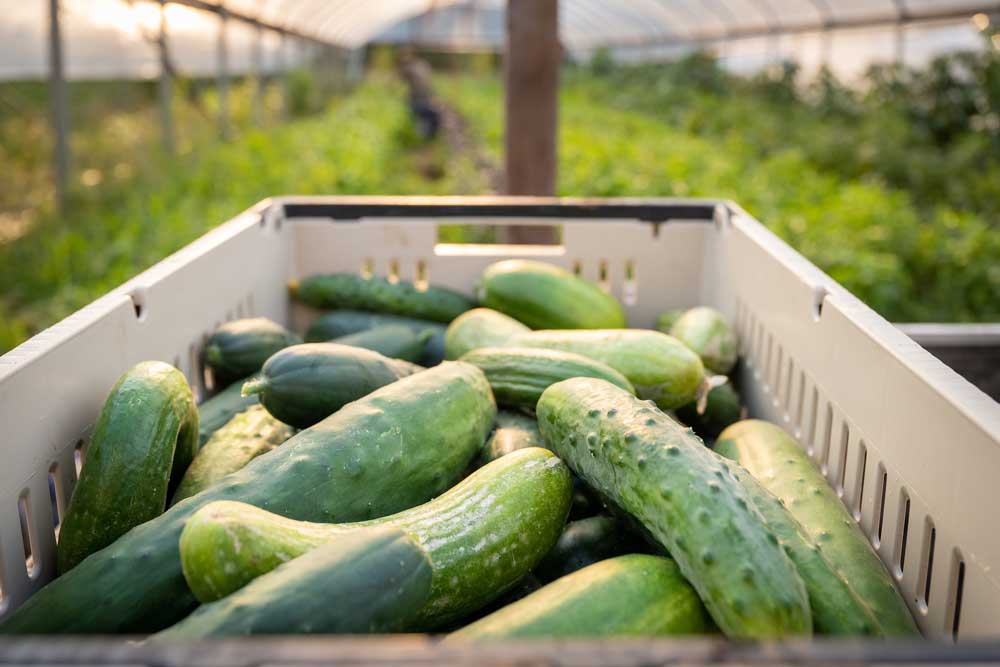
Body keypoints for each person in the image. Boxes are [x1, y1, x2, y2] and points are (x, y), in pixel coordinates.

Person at [398, 48, 441, 140]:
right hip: (417, 98)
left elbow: (427, 83)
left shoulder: (416, 66)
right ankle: (425, 138)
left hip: (421, 98)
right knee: (424, 116)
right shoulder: (416, 67)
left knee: (427, 116)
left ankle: (426, 138)